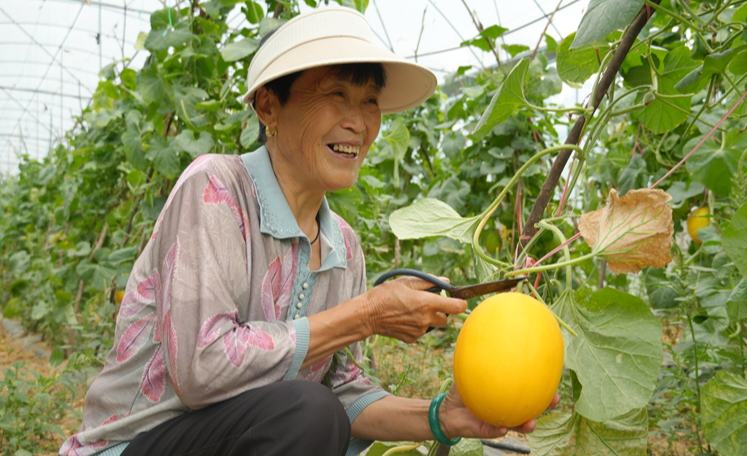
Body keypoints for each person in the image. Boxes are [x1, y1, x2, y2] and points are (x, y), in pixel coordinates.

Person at [60, 6, 558, 456]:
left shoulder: (343, 245)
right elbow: (202, 369)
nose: (358, 123)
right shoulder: (215, 190)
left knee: (316, 408)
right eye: (334, 95)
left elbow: (345, 396)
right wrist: (365, 314)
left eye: (368, 101)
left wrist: (442, 416)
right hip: (134, 446)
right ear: (268, 107)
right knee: (307, 409)